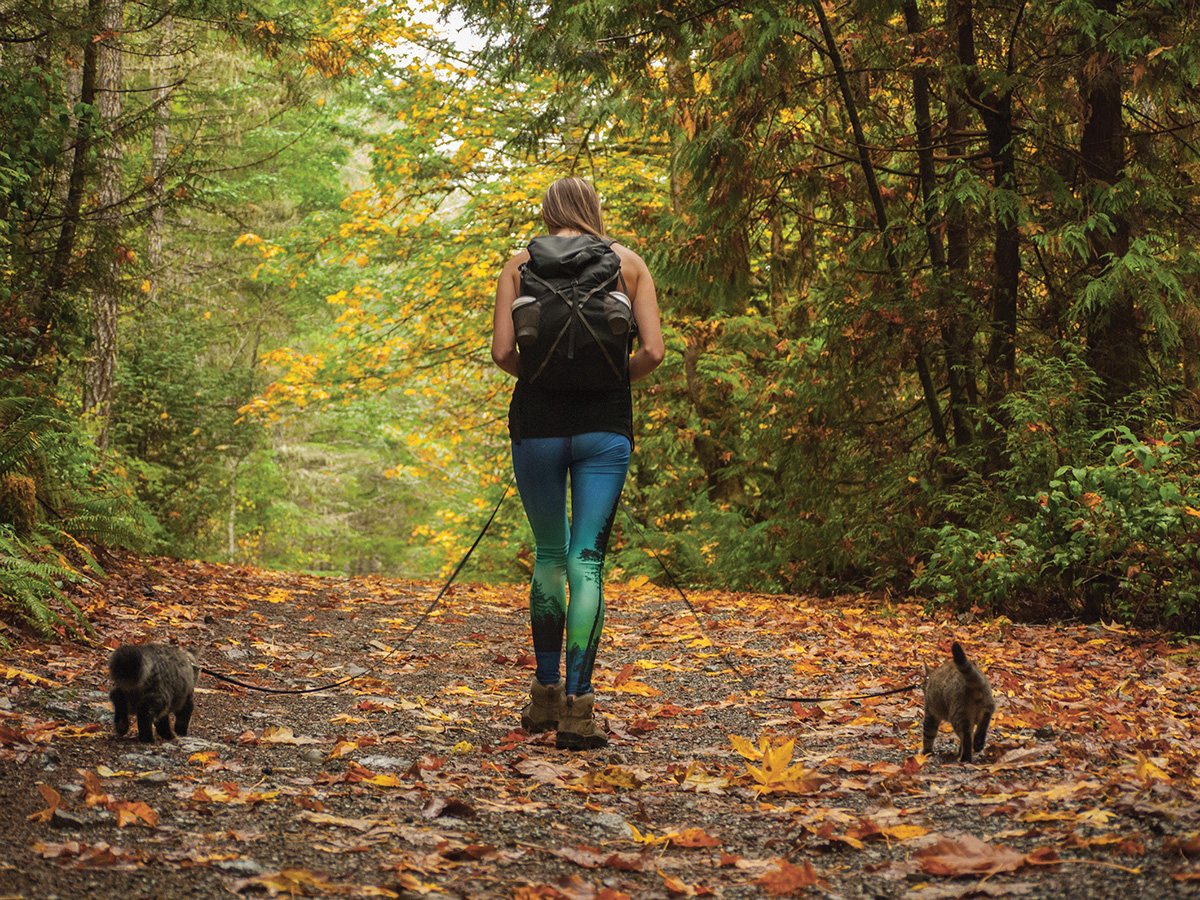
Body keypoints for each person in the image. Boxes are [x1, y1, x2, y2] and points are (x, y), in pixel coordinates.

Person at [491, 176, 664, 750]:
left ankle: (542, 697)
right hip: (605, 427)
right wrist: (612, 382)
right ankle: (579, 710)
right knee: (585, 561)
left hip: (536, 425)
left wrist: (544, 384)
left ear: (547, 213)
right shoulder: (628, 263)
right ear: (593, 209)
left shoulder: (518, 265)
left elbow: (502, 353)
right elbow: (654, 352)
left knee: (548, 555)